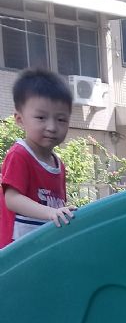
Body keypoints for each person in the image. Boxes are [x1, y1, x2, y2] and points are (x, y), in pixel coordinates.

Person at [0, 70, 74, 249]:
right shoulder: (20, 154)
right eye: (41, 118)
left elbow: (57, 206)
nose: (52, 127)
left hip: (41, 247)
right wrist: (51, 212)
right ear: (20, 119)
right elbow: (12, 199)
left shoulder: (58, 165)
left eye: (61, 119)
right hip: (16, 248)